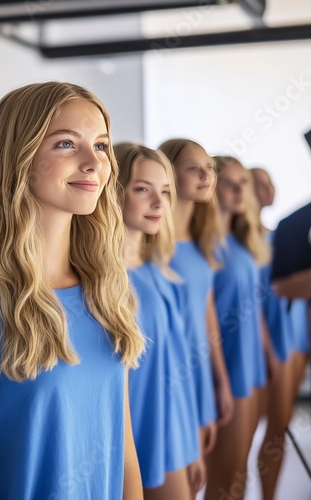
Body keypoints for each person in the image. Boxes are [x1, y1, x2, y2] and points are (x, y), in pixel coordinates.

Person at [0, 81, 146, 499]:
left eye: (100, 146)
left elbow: (123, 452)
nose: (92, 162)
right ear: (18, 159)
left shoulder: (107, 291)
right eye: (66, 144)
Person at [115, 142, 204, 499]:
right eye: (142, 189)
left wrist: (190, 442)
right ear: (114, 192)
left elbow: (177, 368)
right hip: (124, 438)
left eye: (165, 192)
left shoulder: (162, 273)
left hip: (170, 433)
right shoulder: (100, 282)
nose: (158, 203)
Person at [204, 155, 278, 500]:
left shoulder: (242, 241)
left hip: (249, 365)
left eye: (242, 183)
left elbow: (254, 304)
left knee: (238, 472)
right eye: (228, 183)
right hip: (223, 368)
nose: (238, 190)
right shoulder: (202, 246)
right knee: (224, 475)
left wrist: (266, 350)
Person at [159, 139, 234, 460]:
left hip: (199, 371)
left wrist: (220, 379)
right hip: (167, 379)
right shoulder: (151, 243)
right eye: (194, 169)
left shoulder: (202, 240)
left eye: (210, 169)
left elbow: (207, 315)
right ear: (170, 174)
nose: (206, 176)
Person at [250, 167, 309, 499]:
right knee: (254, 430)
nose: (267, 189)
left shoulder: (283, 233)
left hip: (294, 335)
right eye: (258, 183)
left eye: (270, 182)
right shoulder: (239, 243)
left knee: (278, 429)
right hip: (266, 340)